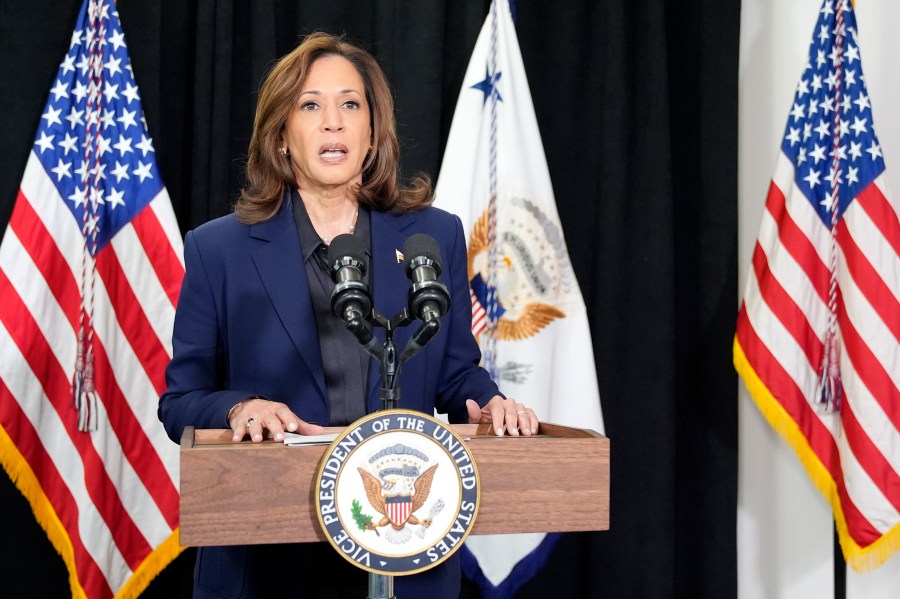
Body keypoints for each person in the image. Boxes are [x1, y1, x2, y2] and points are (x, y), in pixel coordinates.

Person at [158, 32, 538, 598]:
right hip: (267, 557)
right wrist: (240, 407)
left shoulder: (433, 236)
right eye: (310, 105)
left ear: (372, 132)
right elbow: (180, 402)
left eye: (351, 104)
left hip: (403, 542)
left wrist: (492, 404)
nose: (333, 122)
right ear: (281, 135)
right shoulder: (220, 251)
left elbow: (456, 372)